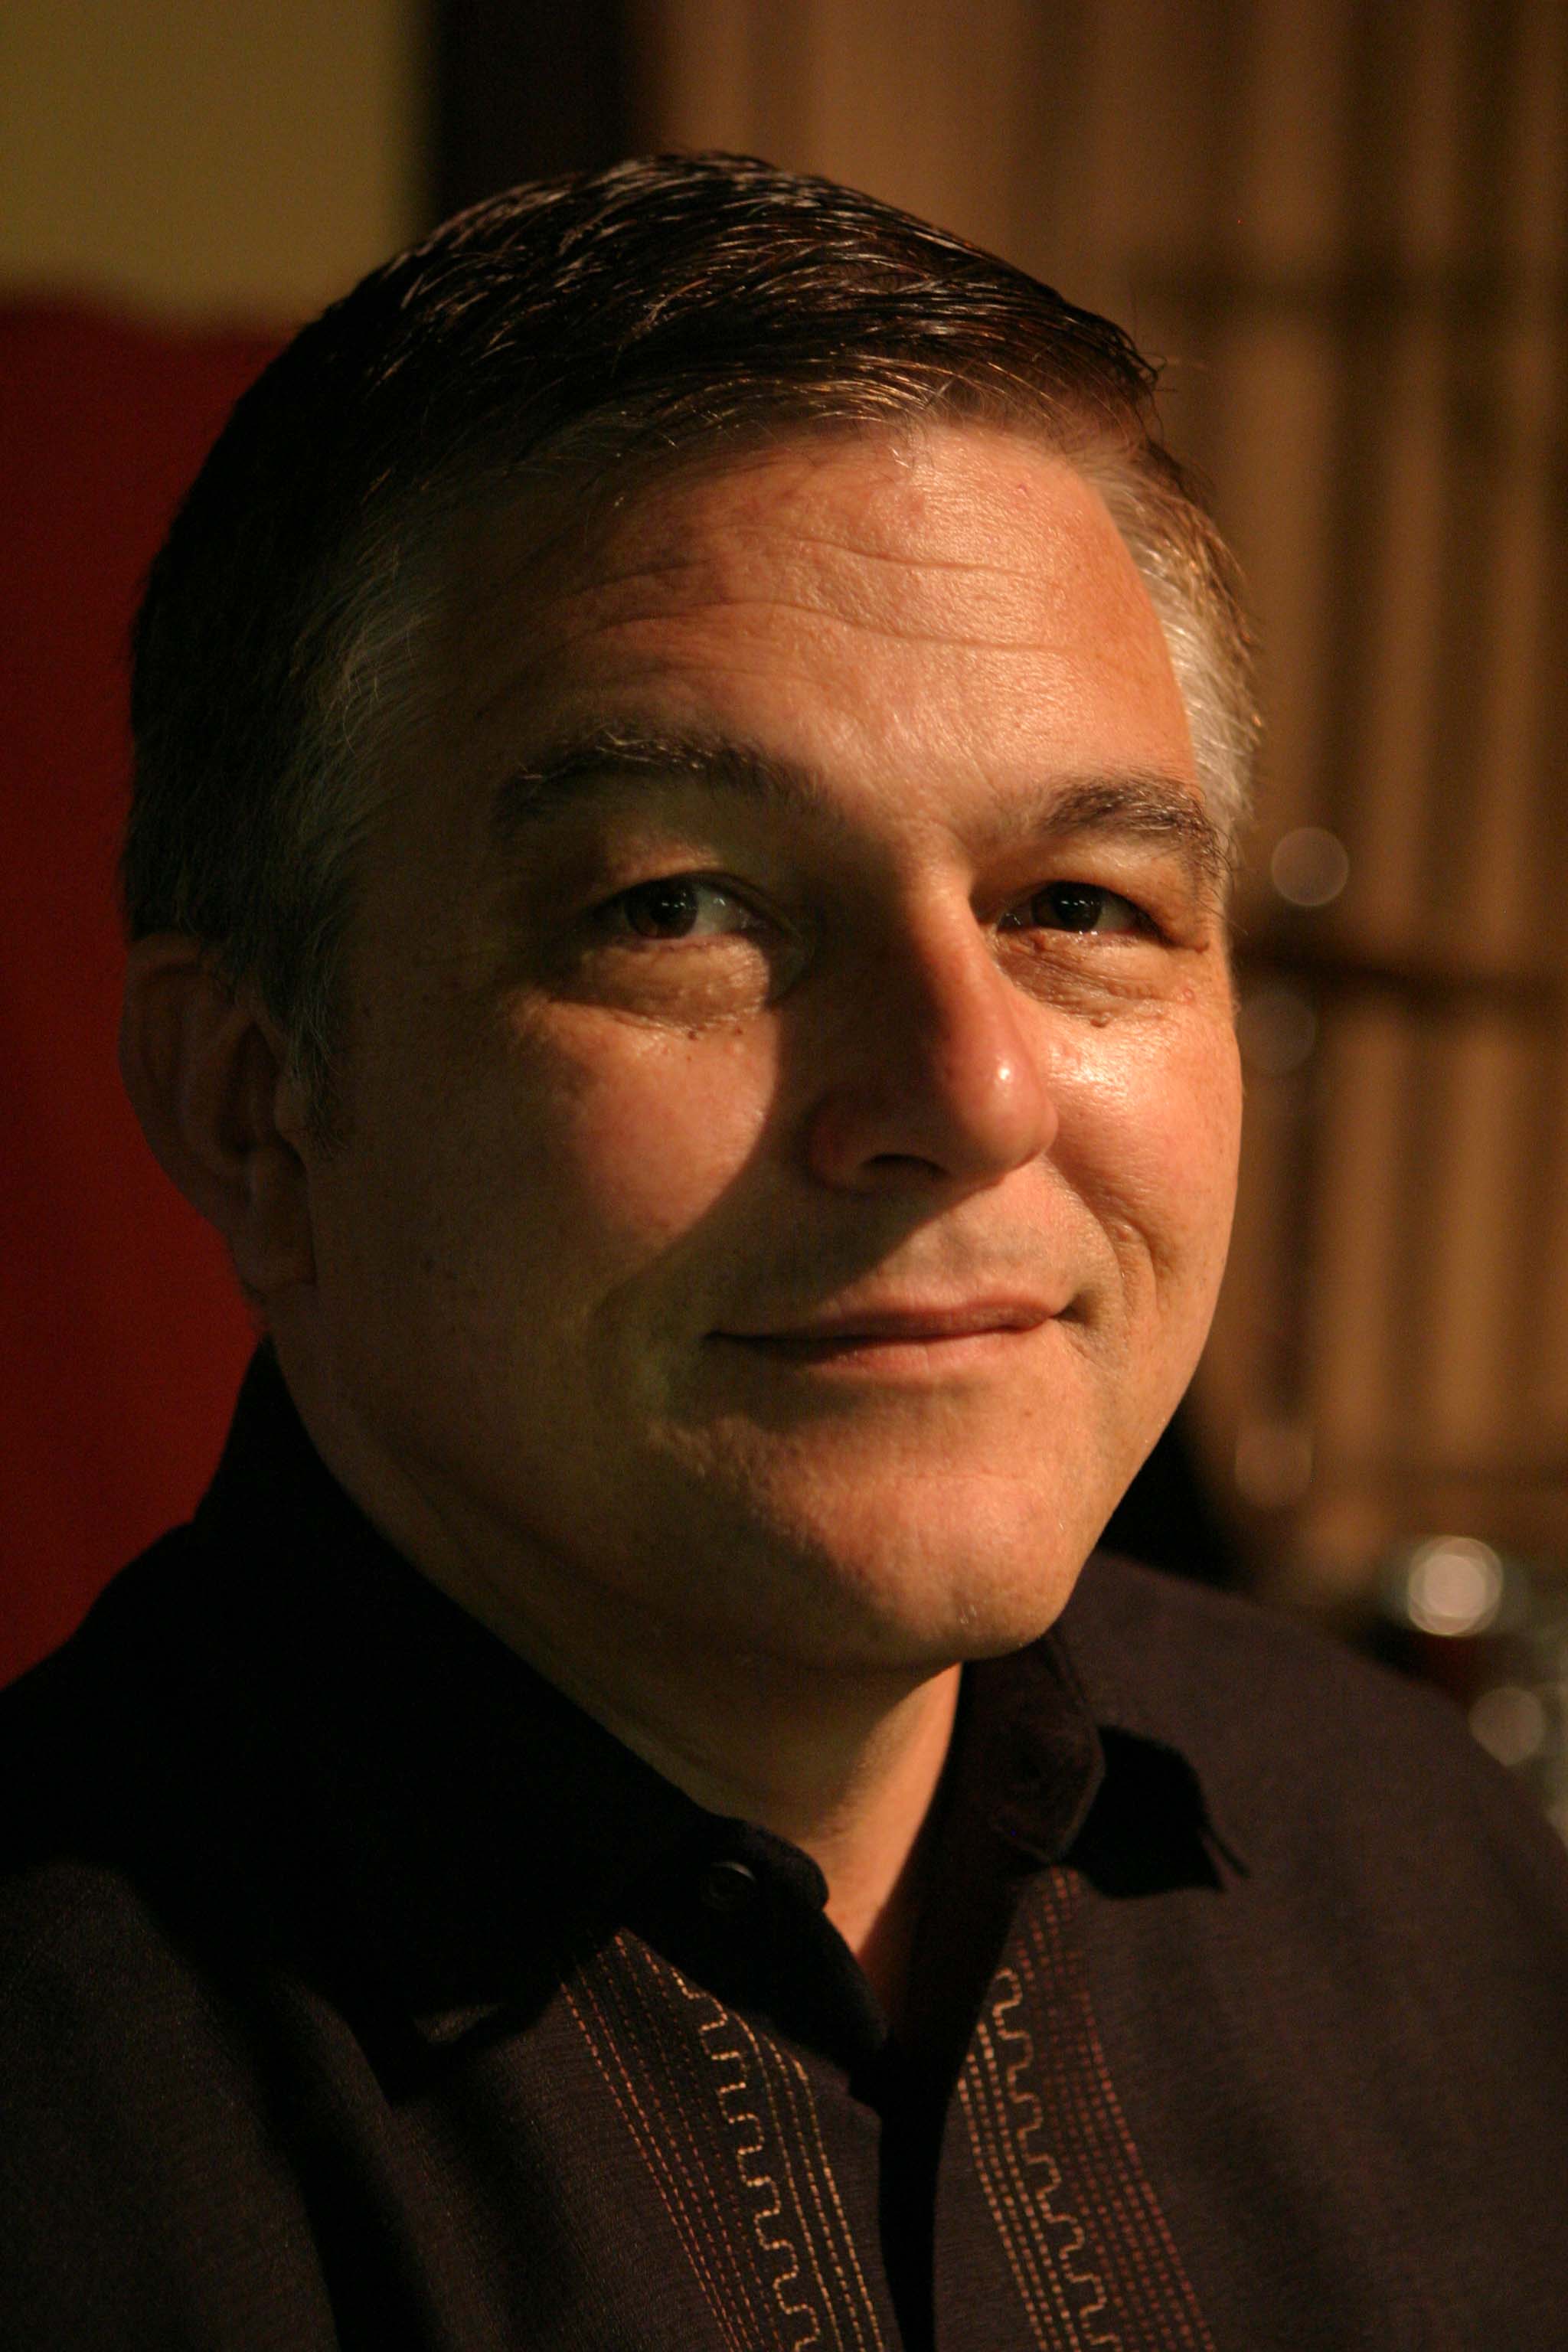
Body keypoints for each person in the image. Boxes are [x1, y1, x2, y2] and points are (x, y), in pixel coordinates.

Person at [3, 154, 1566, 2352]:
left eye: (1081, 907)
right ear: (256, 1102)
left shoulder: (1424, 1871)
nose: (974, 1090)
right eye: (683, 909)